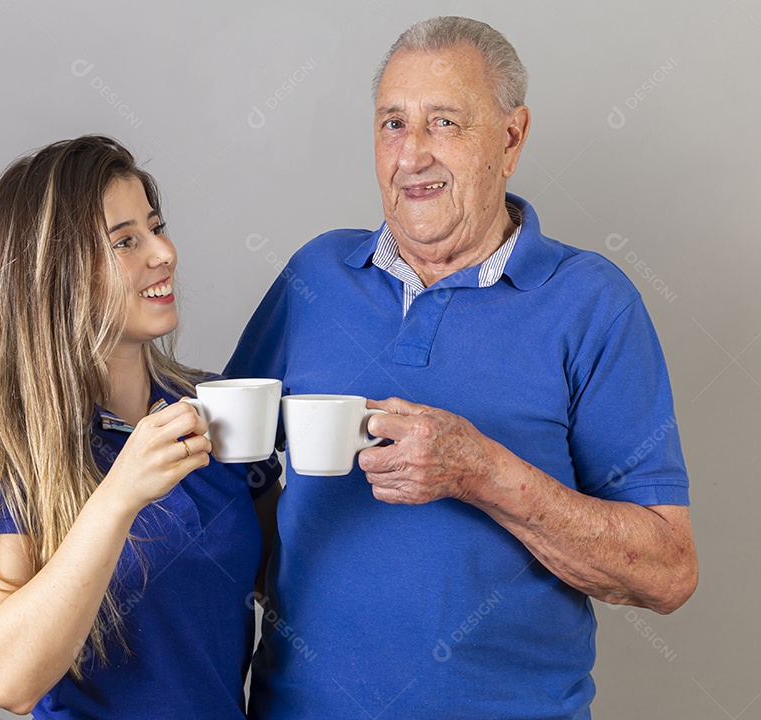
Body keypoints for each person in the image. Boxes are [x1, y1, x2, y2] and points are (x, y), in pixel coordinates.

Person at [225, 16, 698, 719]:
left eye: (443, 122)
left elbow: (667, 570)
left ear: (511, 138)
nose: (411, 154)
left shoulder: (592, 302)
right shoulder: (315, 277)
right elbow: (233, 474)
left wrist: (481, 473)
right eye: (392, 124)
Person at [0, 135, 280, 718]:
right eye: (125, 241)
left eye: (155, 225)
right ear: (55, 275)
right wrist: (120, 493)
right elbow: (8, 679)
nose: (164, 252)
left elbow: (293, 586)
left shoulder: (214, 409)